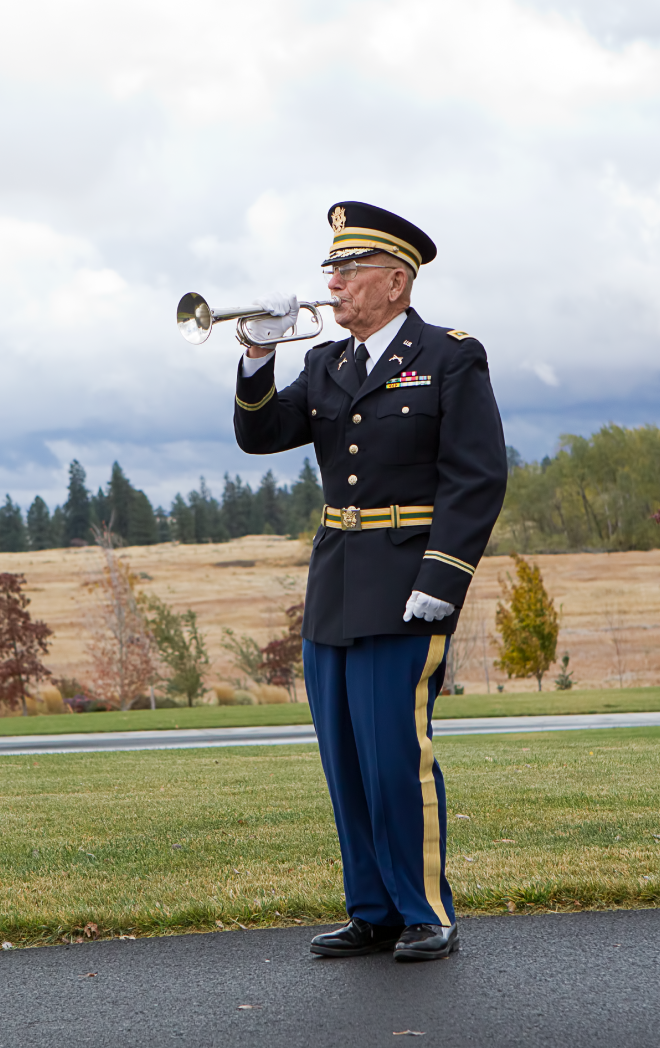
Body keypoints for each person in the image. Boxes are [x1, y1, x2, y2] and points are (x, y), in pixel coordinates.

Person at [233, 201, 507, 961]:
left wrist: (442, 578)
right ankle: (373, 911)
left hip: (406, 583)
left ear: (396, 279)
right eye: (333, 269)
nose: (335, 283)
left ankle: (426, 913)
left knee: (395, 756)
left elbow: (477, 479)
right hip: (336, 582)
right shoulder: (327, 363)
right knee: (345, 759)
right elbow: (260, 435)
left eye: (349, 271)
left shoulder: (450, 356)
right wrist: (258, 355)